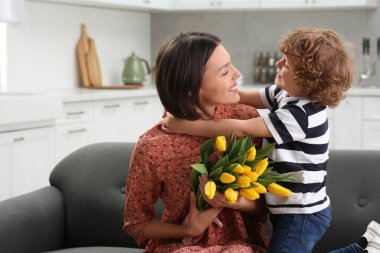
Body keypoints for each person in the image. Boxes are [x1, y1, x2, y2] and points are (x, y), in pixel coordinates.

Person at [162, 27, 360, 253]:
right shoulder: (285, 95)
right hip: (288, 209)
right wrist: (202, 94)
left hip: (303, 213)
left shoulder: (301, 116)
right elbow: (243, 97)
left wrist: (185, 125)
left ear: (308, 82)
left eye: (286, 64)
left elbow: (244, 130)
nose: (277, 64)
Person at [123, 32, 269, 253]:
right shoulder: (153, 146)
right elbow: (136, 224)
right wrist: (189, 230)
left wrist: (235, 202)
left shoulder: (246, 121)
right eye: (225, 71)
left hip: (242, 245)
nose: (237, 74)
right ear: (191, 88)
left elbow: (267, 206)